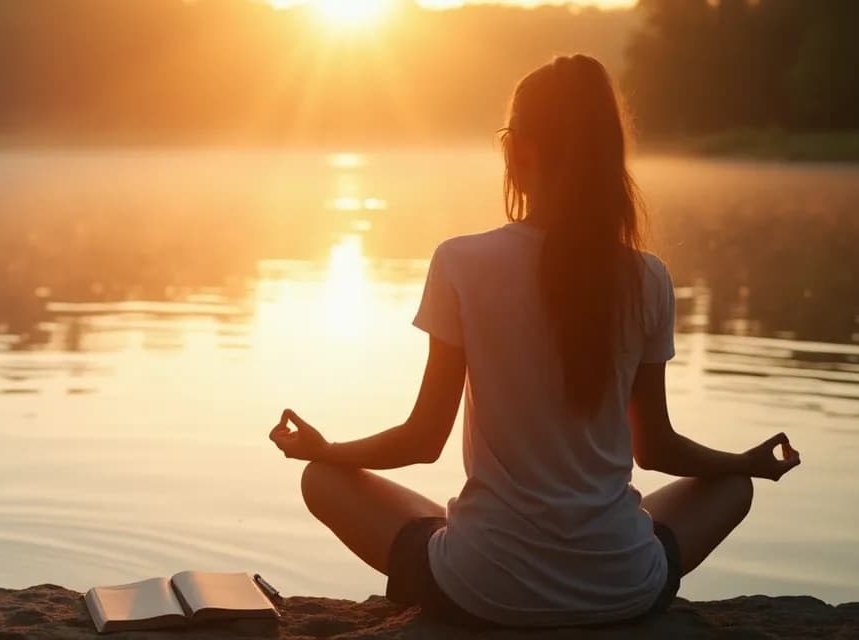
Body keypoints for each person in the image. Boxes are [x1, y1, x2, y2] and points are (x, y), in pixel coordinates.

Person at [267, 54, 801, 628]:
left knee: (322, 481)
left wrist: (325, 451)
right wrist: (742, 462)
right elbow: (658, 449)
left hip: (483, 592)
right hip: (623, 590)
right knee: (733, 490)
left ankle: (488, 548)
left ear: (517, 150)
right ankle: (597, 550)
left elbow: (423, 440)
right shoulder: (647, 277)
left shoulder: (461, 262)